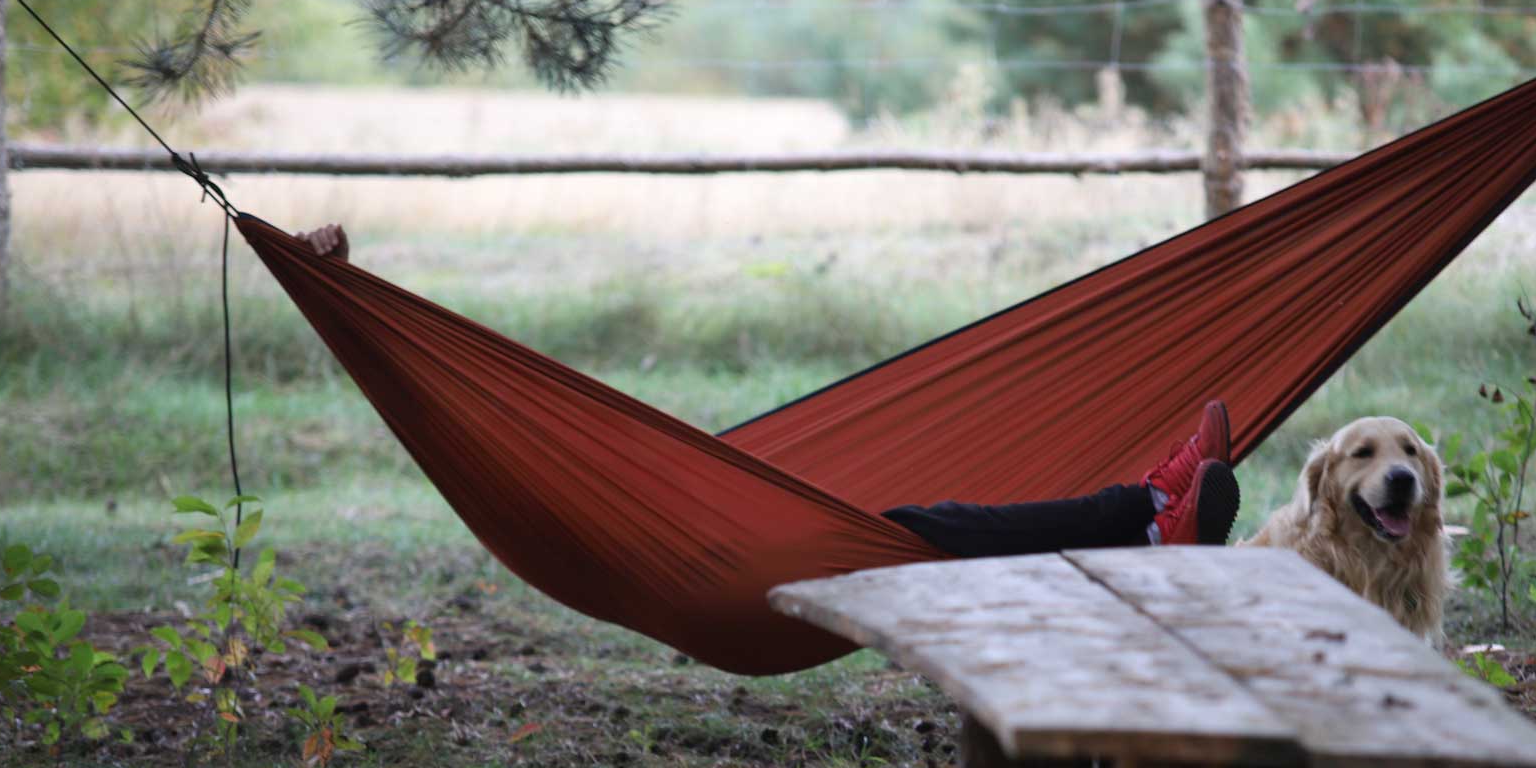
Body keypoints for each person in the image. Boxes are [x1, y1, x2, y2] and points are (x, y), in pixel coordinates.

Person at [294, 223, 1240, 553]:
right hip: (734, 560)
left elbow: (470, 393)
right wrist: (345, 296)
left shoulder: (591, 488)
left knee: (921, 525)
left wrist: (343, 287)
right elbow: (460, 391)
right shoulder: (569, 496)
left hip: (739, 533)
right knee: (918, 528)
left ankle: (1147, 518)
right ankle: (1150, 515)